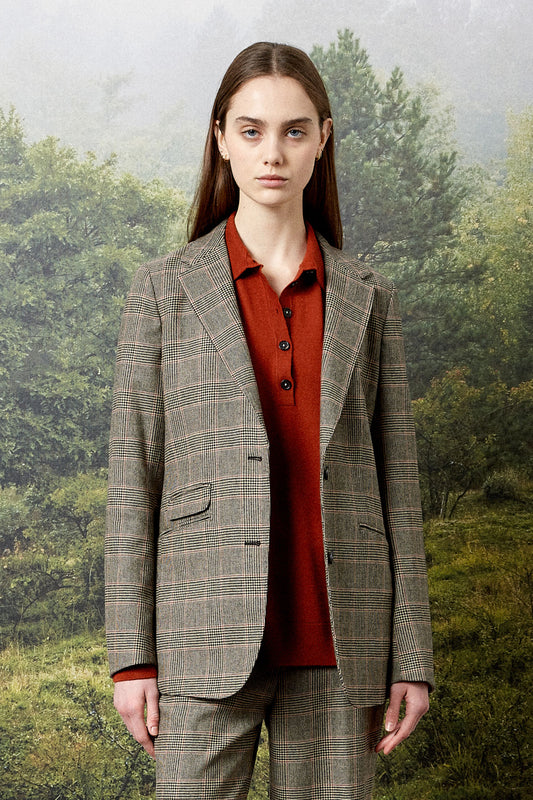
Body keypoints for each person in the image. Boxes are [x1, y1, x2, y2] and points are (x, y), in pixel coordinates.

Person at [105, 41, 434, 800]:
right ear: (220, 138)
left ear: (323, 138)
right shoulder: (162, 290)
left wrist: (411, 655)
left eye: (293, 131)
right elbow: (133, 477)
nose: (272, 153)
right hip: (200, 637)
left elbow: (399, 482)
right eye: (251, 131)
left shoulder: (368, 295)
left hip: (343, 640)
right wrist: (131, 657)